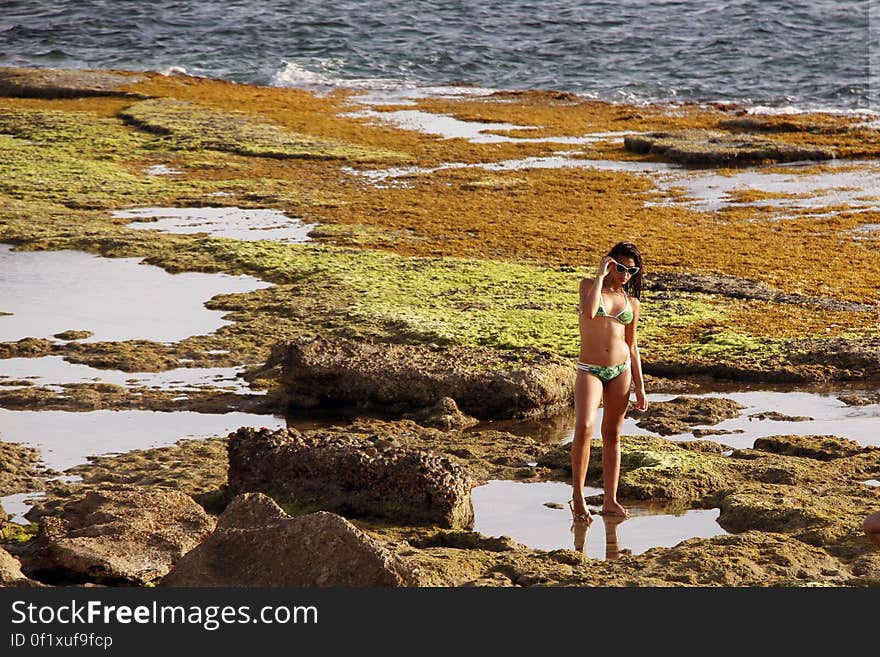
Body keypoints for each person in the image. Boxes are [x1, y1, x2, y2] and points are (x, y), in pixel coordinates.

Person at [570, 241, 648, 524]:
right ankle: (578, 498)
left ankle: (610, 500)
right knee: (585, 426)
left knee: (613, 435)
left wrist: (640, 386)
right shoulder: (588, 286)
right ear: (609, 263)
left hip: (621, 370)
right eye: (620, 267)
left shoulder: (632, 303)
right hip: (590, 369)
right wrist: (601, 275)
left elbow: (633, 344)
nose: (626, 273)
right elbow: (590, 313)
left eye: (632, 269)